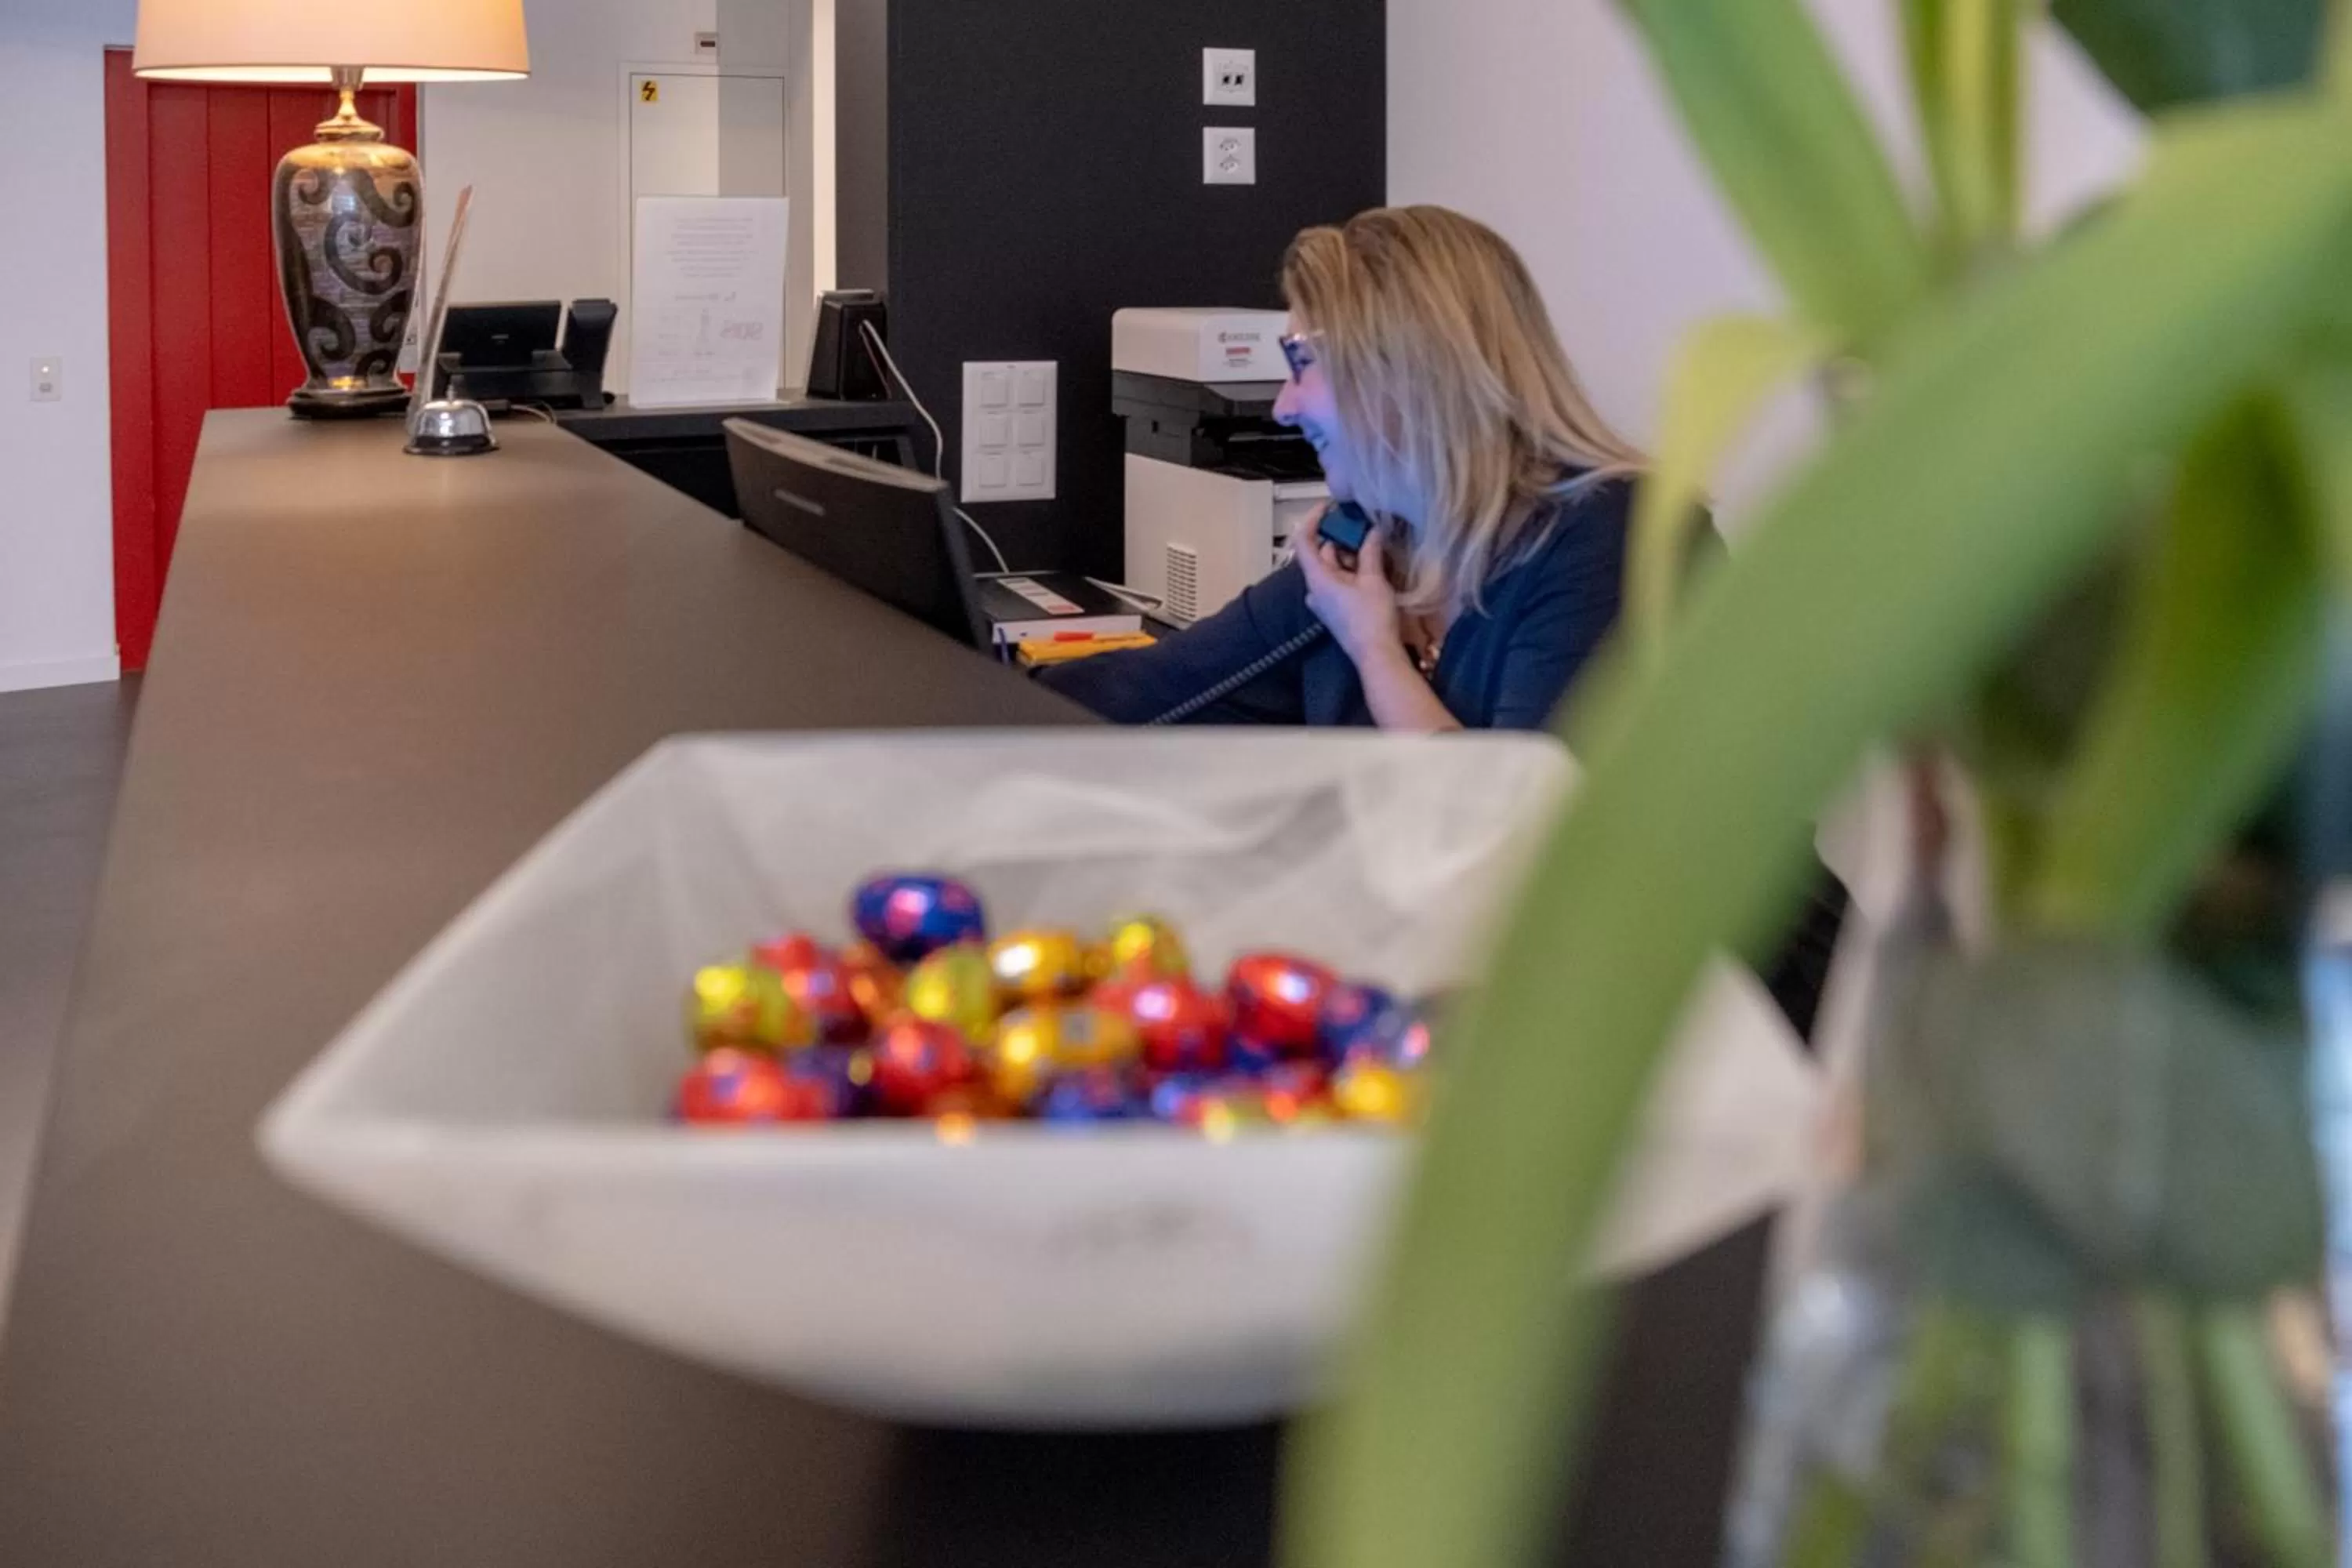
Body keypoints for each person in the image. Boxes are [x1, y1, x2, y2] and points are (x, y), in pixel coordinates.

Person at [1042, 205, 1646, 731]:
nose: (1282, 407)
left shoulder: (1609, 540)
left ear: (1408, 370)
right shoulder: (1375, 541)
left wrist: (1374, 649)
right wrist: (973, 704)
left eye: (1301, 361)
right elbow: (1154, 686)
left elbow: (1522, 825)